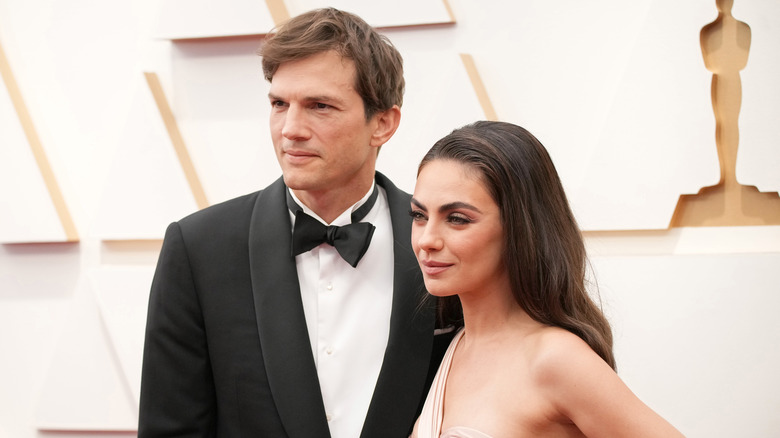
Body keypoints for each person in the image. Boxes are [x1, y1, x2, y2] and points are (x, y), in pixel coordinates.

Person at [138, 8, 451, 438]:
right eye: (279, 104)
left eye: (319, 106)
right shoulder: (198, 248)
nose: (291, 129)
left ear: (382, 123)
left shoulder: (444, 242)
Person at [408, 121, 684, 437]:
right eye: (419, 215)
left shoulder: (556, 359)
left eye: (457, 219)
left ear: (519, 227)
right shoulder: (453, 347)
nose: (426, 239)